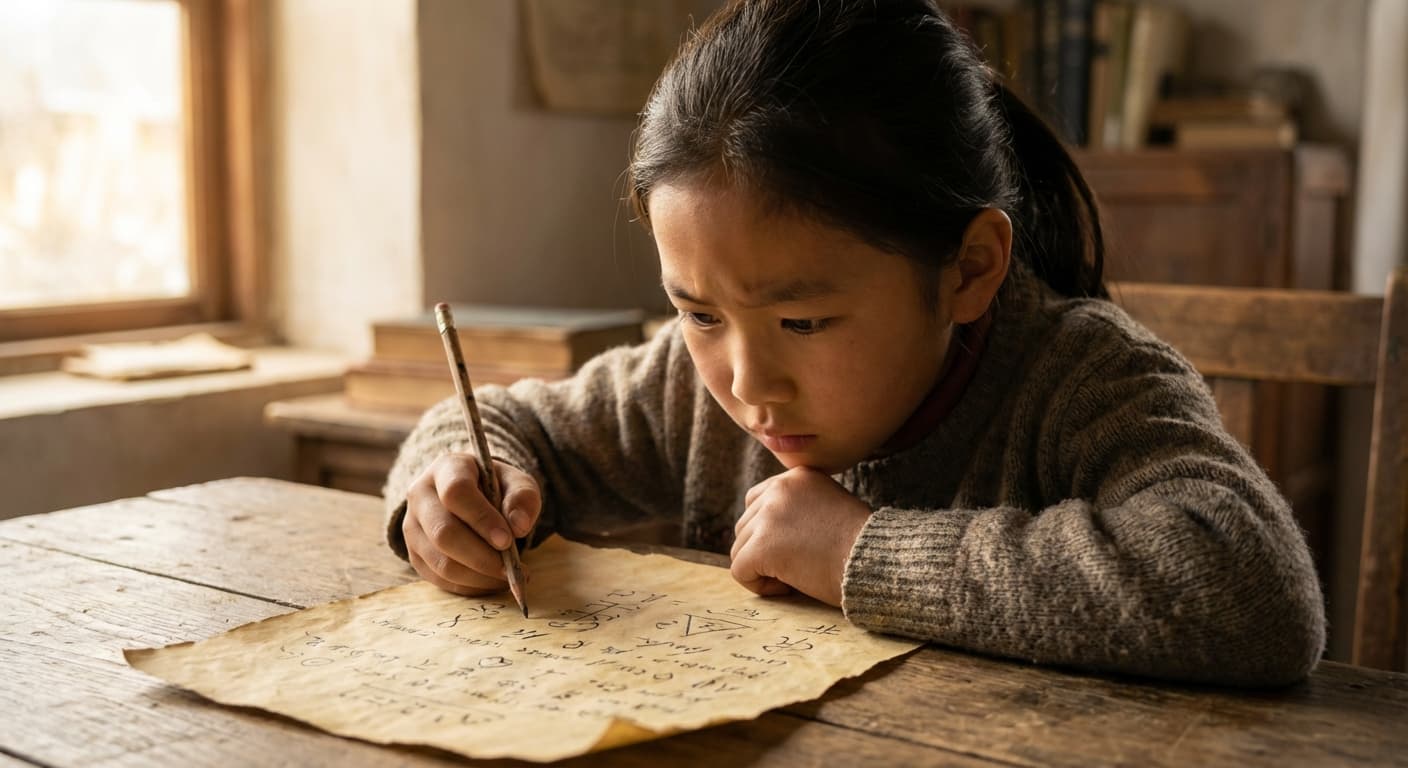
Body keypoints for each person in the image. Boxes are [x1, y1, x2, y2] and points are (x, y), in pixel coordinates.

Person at [382, 0, 1324, 686]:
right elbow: (504, 422)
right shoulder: (687, 383)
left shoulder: (1076, 375)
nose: (749, 386)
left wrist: (861, 554)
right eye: (699, 312)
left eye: (802, 322)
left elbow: (1252, 590)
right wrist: (456, 483)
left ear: (968, 270)